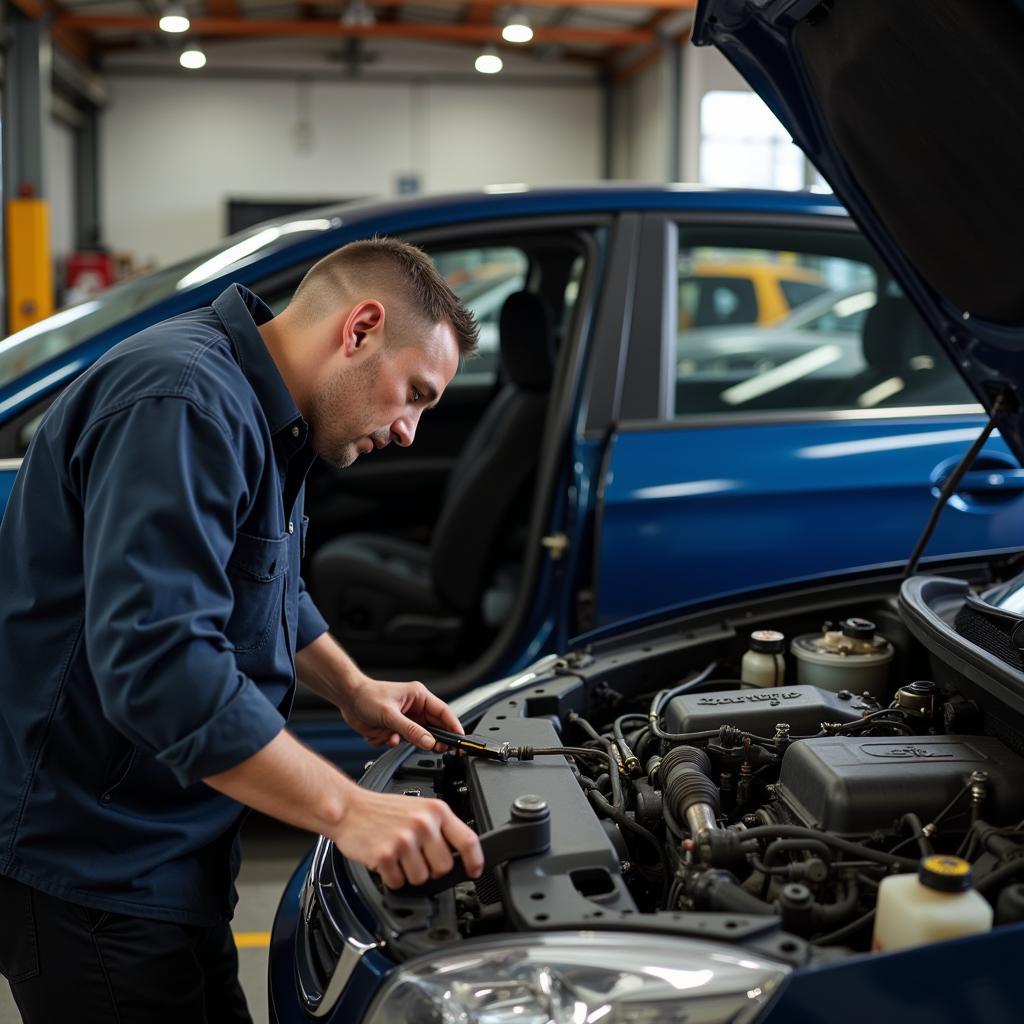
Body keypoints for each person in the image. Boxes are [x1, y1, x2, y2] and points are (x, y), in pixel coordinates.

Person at [0, 237, 485, 1023]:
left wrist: (354, 690)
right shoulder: (183, 402)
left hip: (170, 845)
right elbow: (160, 667)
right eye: (417, 395)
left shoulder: (267, 408)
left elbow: (260, 582)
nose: (409, 433)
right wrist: (350, 811)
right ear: (360, 328)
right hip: (95, 868)